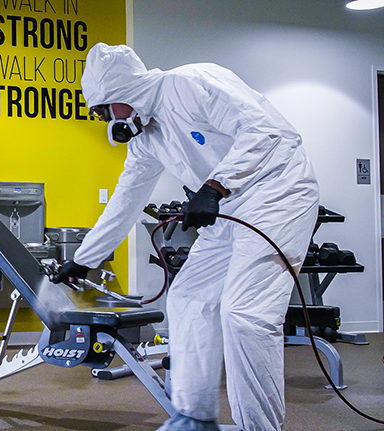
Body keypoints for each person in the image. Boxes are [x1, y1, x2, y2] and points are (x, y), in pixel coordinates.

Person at [53, 43, 319, 431]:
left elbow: (268, 131)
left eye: (105, 111)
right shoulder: (146, 137)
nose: (107, 121)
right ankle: (194, 417)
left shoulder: (190, 83)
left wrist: (215, 185)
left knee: (244, 314)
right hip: (227, 210)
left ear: (122, 93)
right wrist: (84, 259)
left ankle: (260, 427)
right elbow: (127, 199)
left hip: (276, 195)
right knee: (188, 299)